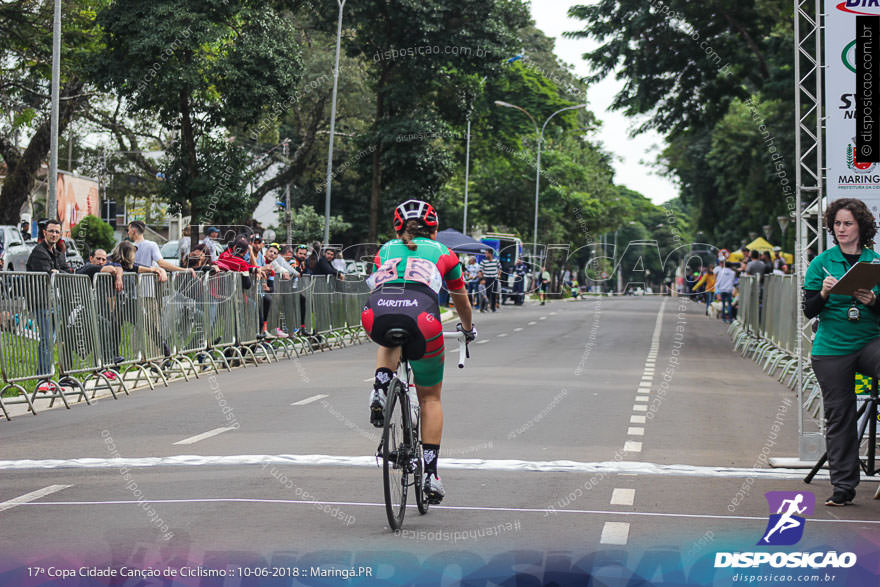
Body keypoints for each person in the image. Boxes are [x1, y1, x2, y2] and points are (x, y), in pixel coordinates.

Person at [361, 199, 475, 504]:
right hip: (423, 319)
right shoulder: (445, 253)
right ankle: (431, 475)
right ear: (435, 229)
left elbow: (379, 287)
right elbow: (461, 301)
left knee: (390, 336)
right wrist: (467, 329)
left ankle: (381, 385)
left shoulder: (384, 250)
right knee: (430, 398)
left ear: (398, 228)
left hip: (376, 314)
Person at [803, 197, 880, 507]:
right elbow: (809, 310)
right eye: (837, 224)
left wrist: (872, 301)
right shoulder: (821, 262)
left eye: (848, 223)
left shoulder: (875, 262)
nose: (842, 229)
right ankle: (844, 487)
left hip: (869, 342)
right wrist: (823, 292)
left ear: (861, 226)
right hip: (832, 348)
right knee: (840, 415)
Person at [479, 248, 501, 312]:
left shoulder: (496, 261)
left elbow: (500, 269)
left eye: (487, 253)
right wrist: (482, 279)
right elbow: (480, 271)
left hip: (494, 279)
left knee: (494, 293)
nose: (485, 255)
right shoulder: (483, 261)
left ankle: (493, 308)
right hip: (486, 279)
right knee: (486, 294)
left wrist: (499, 275)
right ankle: (483, 308)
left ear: (490, 254)